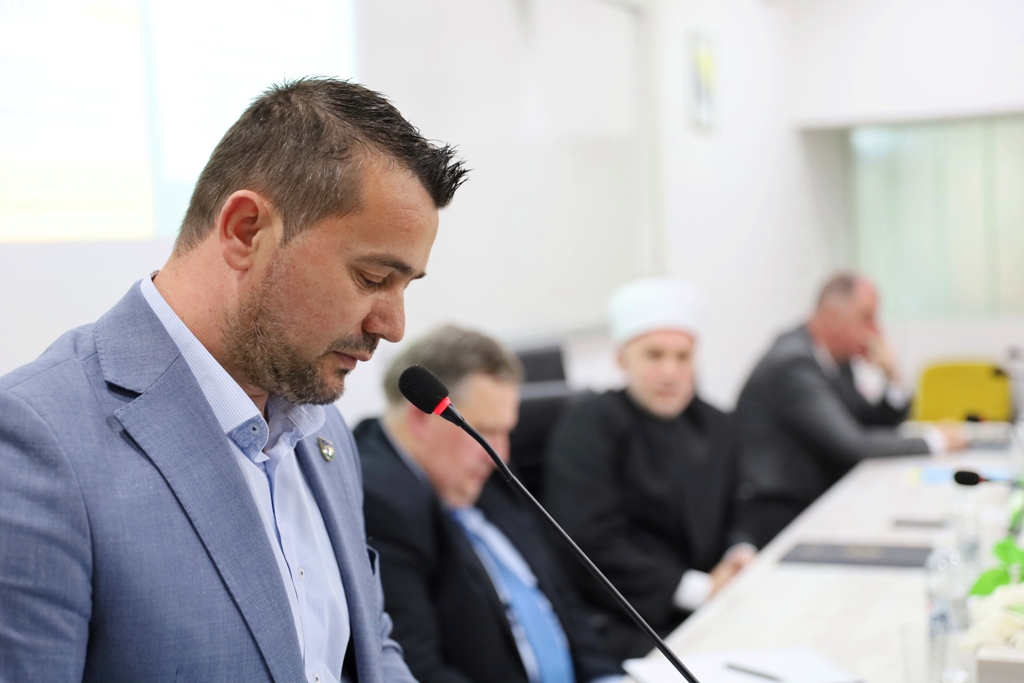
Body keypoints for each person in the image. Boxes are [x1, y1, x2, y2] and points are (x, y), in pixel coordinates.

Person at [0, 78, 468, 682]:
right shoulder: (35, 443)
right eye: (373, 278)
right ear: (246, 230)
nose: (394, 326)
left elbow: (369, 651)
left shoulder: (322, 430)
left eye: (405, 287)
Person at [355, 325, 624, 683]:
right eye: (485, 431)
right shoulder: (375, 501)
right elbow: (417, 668)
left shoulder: (478, 470)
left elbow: (558, 599)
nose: (501, 454)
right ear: (421, 417)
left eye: (505, 432)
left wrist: (607, 677)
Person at [543, 278, 755, 662]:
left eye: (683, 357)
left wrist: (739, 553)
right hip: (629, 620)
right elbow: (589, 542)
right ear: (622, 360)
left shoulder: (718, 424)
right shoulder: (589, 425)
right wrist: (698, 589)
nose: (670, 372)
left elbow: (744, 503)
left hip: (717, 603)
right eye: (654, 356)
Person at [734, 272, 969, 547]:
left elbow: (867, 425)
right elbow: (854, 445)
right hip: (779, 513)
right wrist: (935, 440)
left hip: (819, 501)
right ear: (833, 317)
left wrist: (893, 377)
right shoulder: (793, 364)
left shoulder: (836, 359)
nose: (876, 331)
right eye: (867, 318)